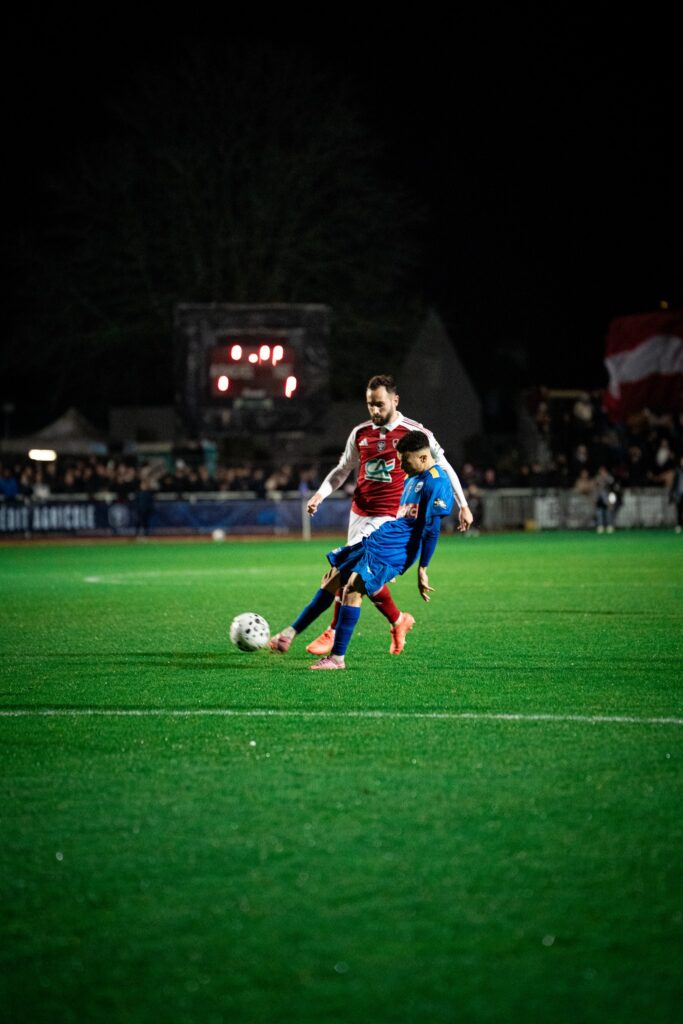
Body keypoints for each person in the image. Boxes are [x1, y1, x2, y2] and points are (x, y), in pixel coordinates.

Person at [303, 374, 472, 655]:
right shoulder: (361, 433)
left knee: (354, 580)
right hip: (360, 513)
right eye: (370, 404)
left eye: (379, 404)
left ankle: (331, 639)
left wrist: (463, 503)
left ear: (395, 400)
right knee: (350, 578)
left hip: (389, 525)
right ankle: (396, 621)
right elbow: (343, 469)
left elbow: (444, 473)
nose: (374, 410)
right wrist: (320, 494)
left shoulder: (418, 437)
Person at [269, 430, 455, 668]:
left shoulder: (437, 481)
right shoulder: (411, 479)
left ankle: (337, 659)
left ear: (422, 457)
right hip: (382, 537)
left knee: (353, 587)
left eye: (405, 461)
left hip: (396, 547)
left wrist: (421, 568)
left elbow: (431, 530)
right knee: (332, 579)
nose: (401, 466)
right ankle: (289, 633)